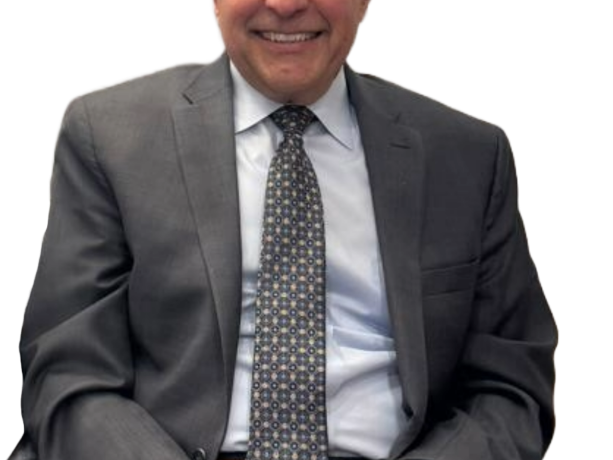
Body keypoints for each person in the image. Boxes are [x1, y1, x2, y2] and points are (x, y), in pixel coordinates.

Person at [10, 1, 558, 459]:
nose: (287, 4)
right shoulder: (108, 134)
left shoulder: (467, 154)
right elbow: (69, 376)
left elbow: (510, 388)